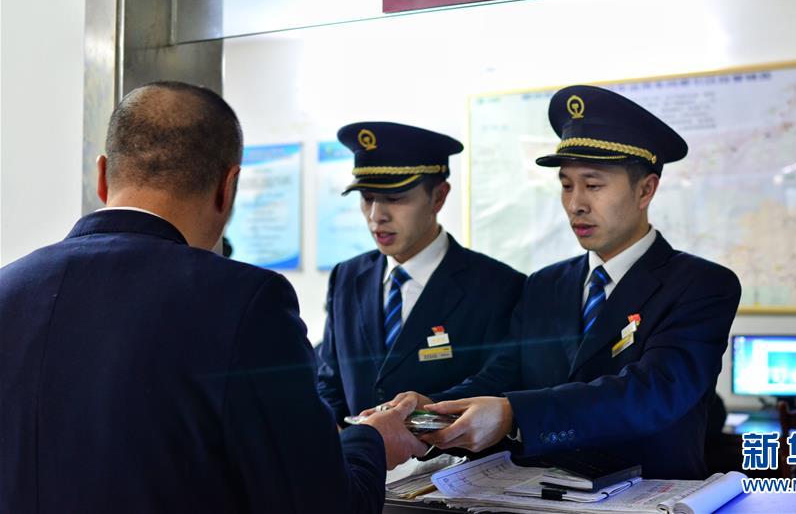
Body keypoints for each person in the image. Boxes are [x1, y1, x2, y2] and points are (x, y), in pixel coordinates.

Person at [0, 82, 426, 514]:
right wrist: (371, 441)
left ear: (103, 175)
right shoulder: (245, 302)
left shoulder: (8, 288)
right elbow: (322, 503)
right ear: (228, 187)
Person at [380, 85, 742, 480]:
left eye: (593, 185)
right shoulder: (546, 285)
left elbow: (653, 392)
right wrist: (429, 409)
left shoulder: (701, 285)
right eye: (567, 185)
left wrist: (515, 414)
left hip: (646, 495)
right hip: (539, 494)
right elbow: (503, 373)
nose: (575, 204)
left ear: (645, 190)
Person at [317, 122, 525, 423]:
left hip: (447, 451)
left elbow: (498, 379)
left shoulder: (497, 286)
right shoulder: (347, 277)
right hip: (357, 451)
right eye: (368, 198)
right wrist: (338, 433)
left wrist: (425, 412)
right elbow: (328, 377)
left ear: (438, 197)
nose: (376, 216)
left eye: (394, 198)